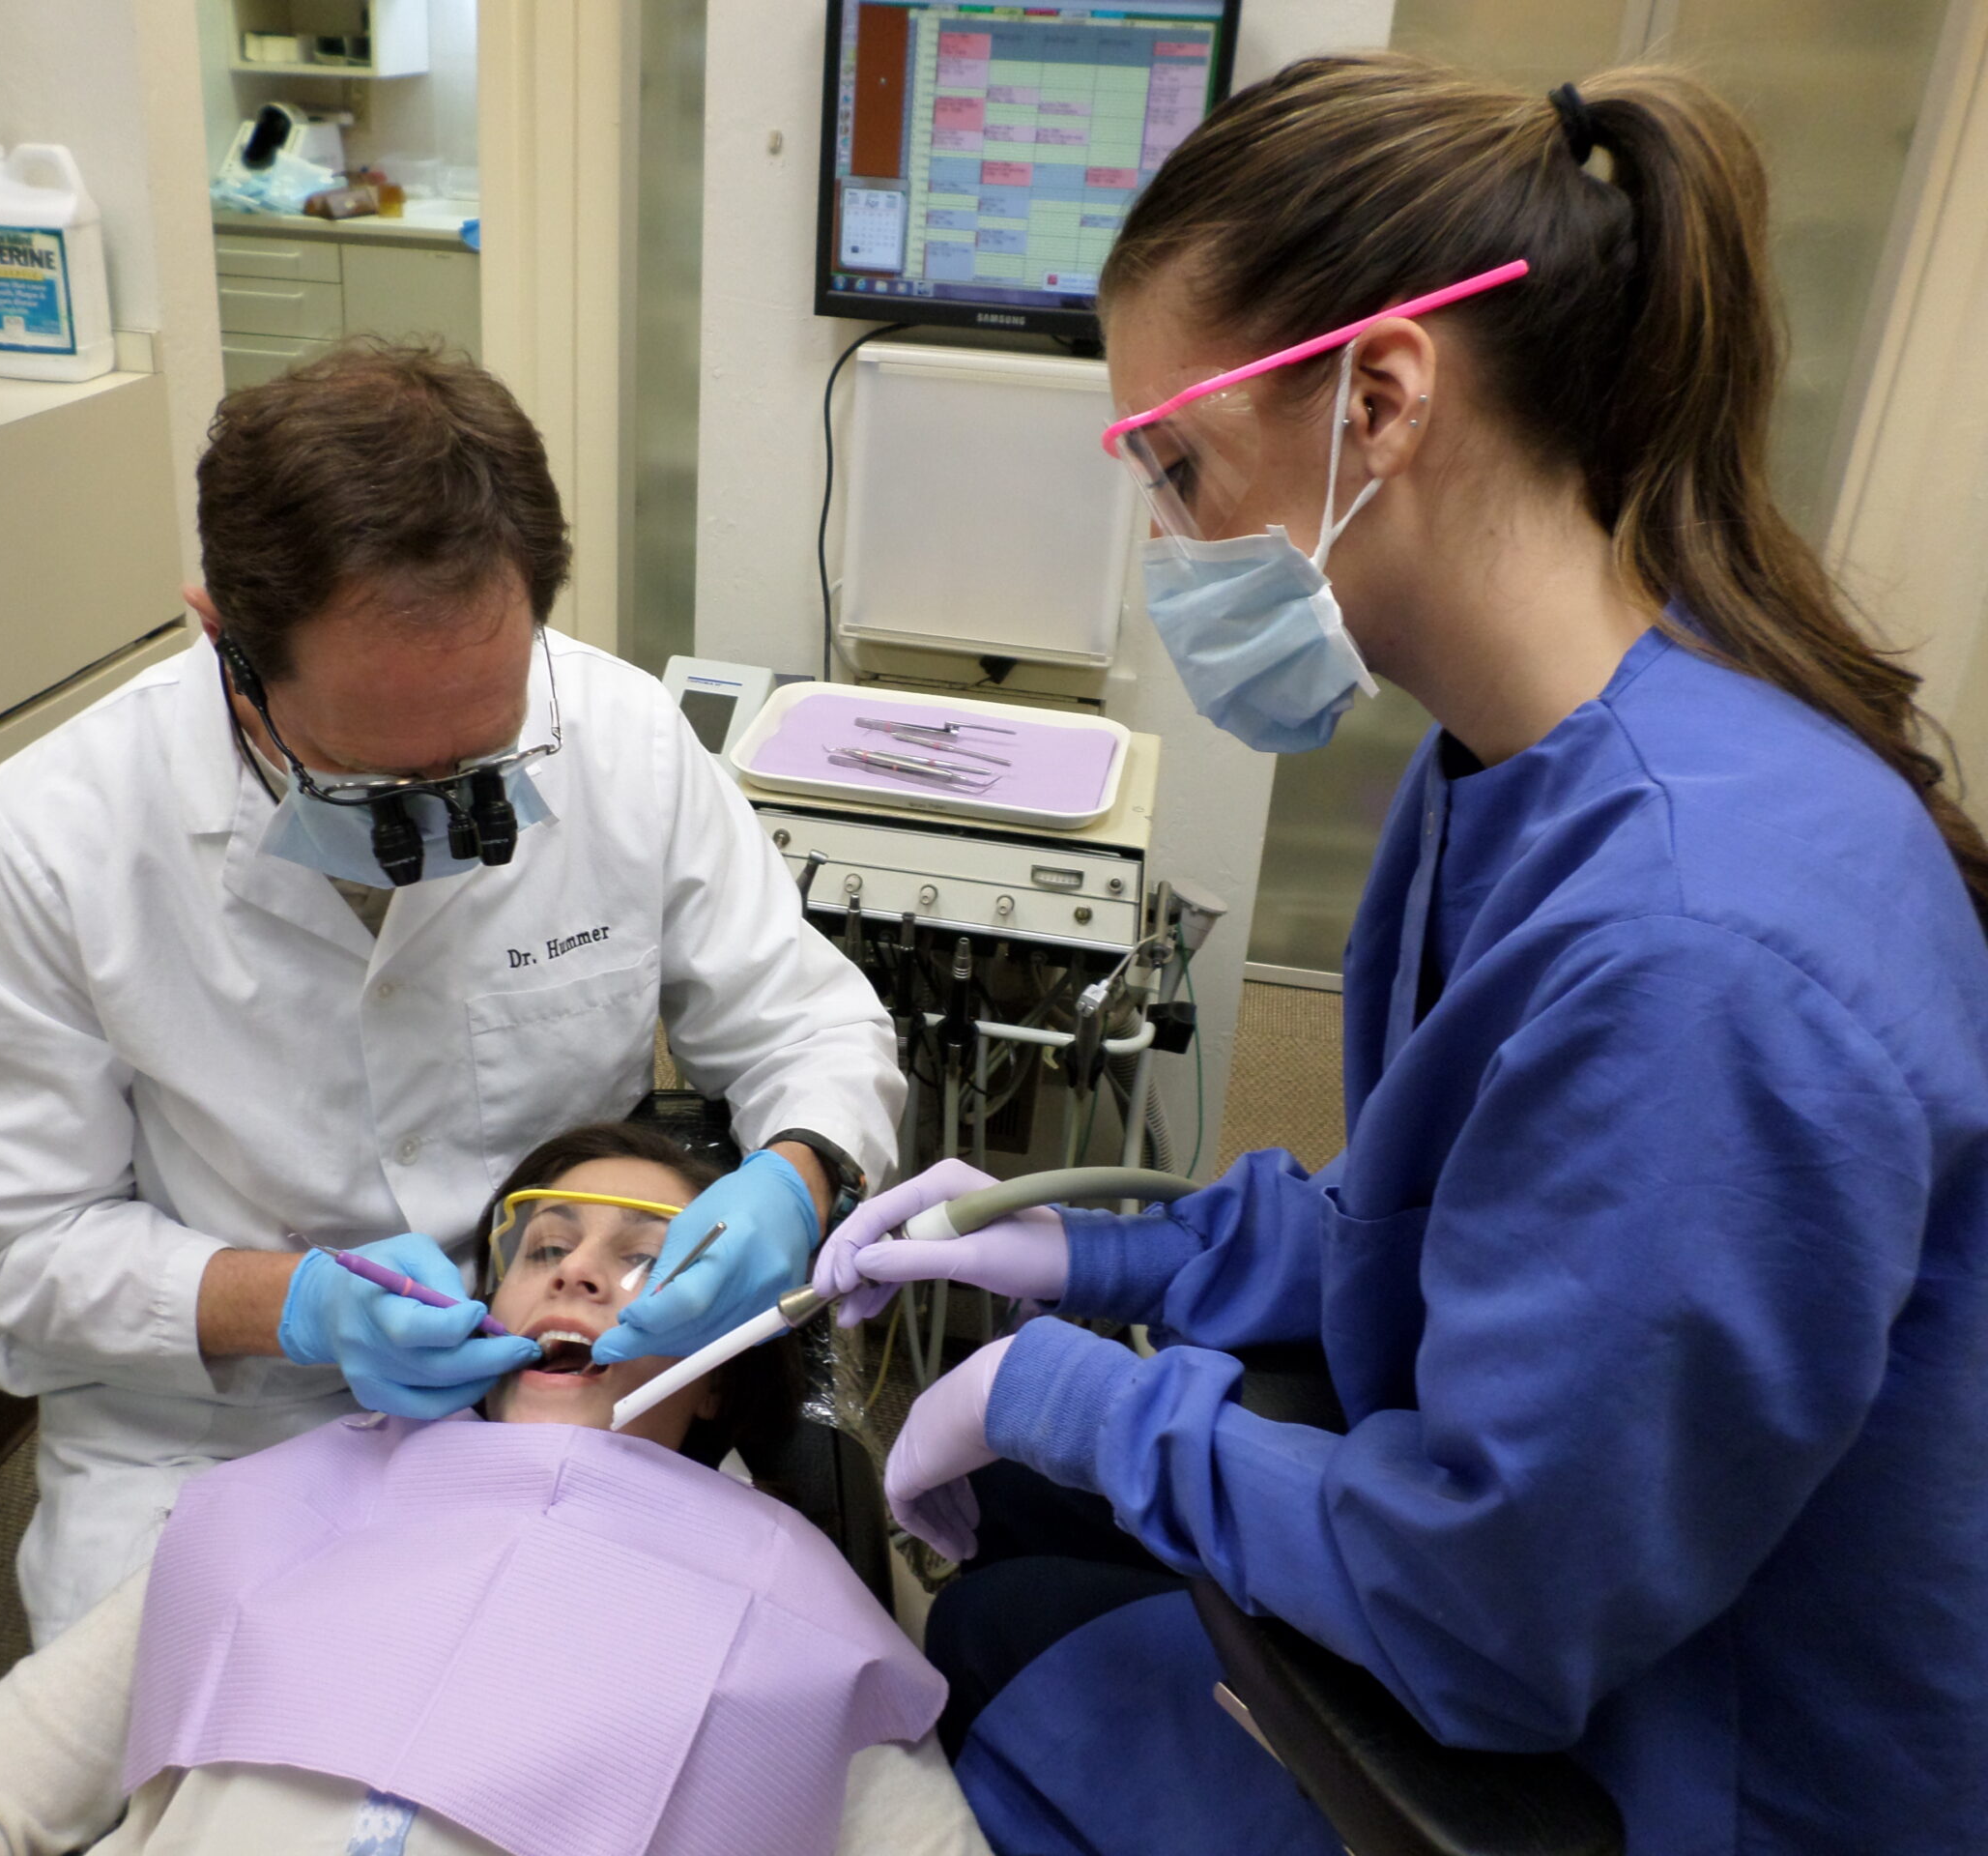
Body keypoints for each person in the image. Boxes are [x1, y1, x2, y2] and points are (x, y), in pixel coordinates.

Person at [815, 53, 1988, 1856]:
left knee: (998, 1626)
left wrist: (1075, 1395)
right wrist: (1082, 1250)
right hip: (1580, 1581)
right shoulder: (1511, 774)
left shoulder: (1700, 949)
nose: (1165, 545)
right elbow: (1431, 1233)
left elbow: (1495, 1620)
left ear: (1381, 396)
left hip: (1688, 1766)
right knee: (1028, 1572)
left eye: (1180, 464)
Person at [0, 340, 899, 1644]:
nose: (450, 812)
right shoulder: (48, 838)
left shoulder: (621, 740)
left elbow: (814, 1026)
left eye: (488, 755)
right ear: (225, 644)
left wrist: (796, 1174)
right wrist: (296, 1304)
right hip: (217, 1435)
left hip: (578, 1412)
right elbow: (26, 1260)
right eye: (381, 779)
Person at [0, 1125, 989, 1856]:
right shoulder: (274, 1515)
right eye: (547, 1247)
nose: (581, 1267)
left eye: (648, 1258)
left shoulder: (784, 1589)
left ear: (719, 1384)